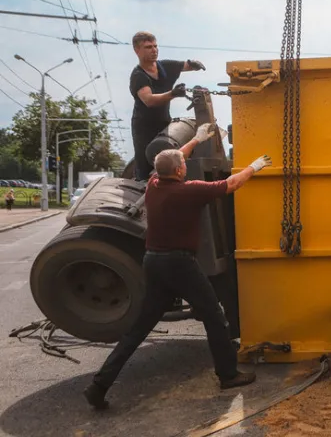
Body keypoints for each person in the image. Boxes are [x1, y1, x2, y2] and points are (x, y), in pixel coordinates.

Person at [83, 123, 272, 410]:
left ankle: (99, 386)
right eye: (183, 163)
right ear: (181, 171)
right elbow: (231, 184)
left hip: (154, 261)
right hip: (179, 264)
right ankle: (229, 374)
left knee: (138, 329)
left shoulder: (153, 185)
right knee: (215, 317)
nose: (184, 164)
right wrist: (254, 167)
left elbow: (170, 160)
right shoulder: (189, 190)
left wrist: (194, 140)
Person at [130, 31, 207, 181]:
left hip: (164, 124)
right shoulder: (138, 75)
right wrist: (173, 94)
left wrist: (194, 65)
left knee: (170, 162)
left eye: (155, 46)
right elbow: (149, 100)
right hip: (144, 130)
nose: (154, 50)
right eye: (148, 47)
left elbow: (185, 65)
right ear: (137, 50)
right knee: (145, 166)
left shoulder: (165, 66)